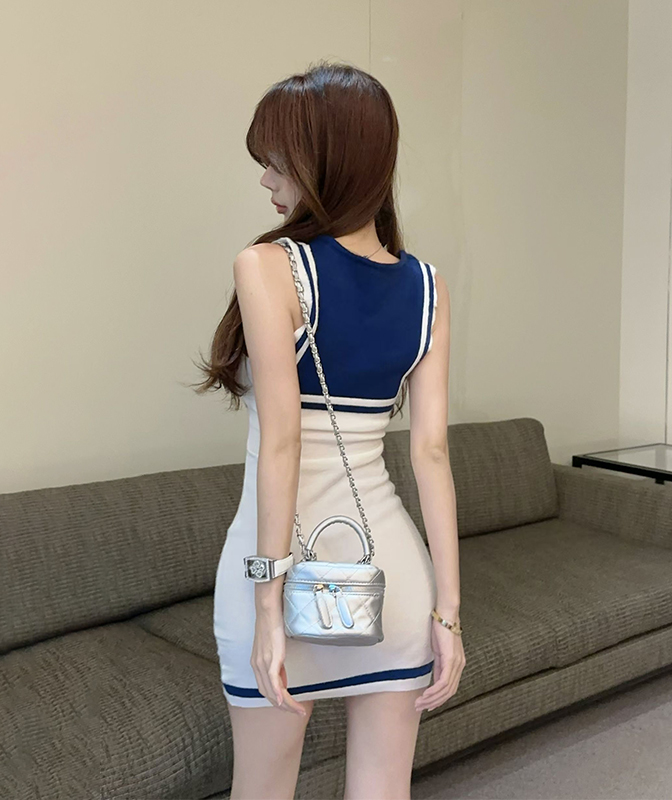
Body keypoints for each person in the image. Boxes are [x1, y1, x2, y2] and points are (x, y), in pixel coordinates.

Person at [193, 60, 464, 800]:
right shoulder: (430, 288)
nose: (265, 179)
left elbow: (282, 443)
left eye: (277, 161)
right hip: (392, 578)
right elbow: (431, 452)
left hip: (279, 579)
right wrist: (448, 613)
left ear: (325, 162)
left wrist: (267, 608)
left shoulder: (267, 266)